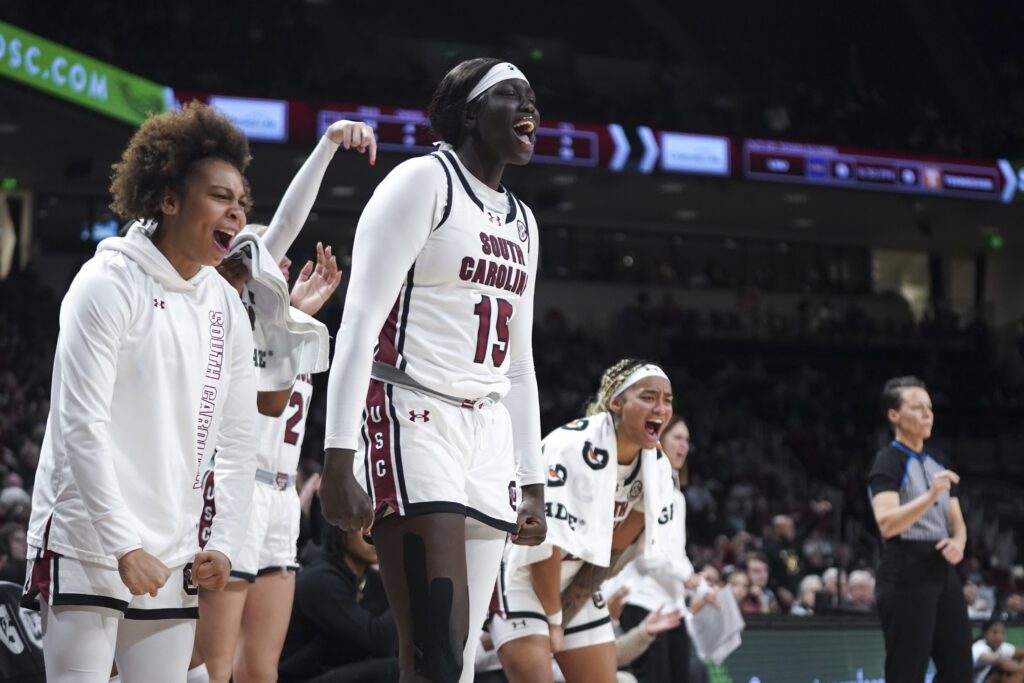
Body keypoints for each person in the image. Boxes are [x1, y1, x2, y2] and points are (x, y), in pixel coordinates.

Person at [319, 58, 548, 683]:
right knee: (435, 653)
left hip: (488, 431)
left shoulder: (524, 222)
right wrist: (338, 452)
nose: (529, 105)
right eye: (509, 94)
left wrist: (531, 478)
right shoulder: (422, 181)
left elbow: (521, 365)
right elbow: (359, 323)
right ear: (472, 113)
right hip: (413, 415)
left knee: (463, 658)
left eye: (531, 95)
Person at [23, 102, 258, 682]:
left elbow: (237, 435)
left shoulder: (226, 303)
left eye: (243, 202)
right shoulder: (105, 283)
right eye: (221, 197)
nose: (238, 212)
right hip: (87, 539)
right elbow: (81, 426)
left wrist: (223, 542)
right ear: (169, 200)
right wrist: (123, 545)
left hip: (172, 547)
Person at [194, 119, 374, 683]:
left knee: (261, 670)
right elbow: (288, 223)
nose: (279, 265)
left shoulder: (284, 330)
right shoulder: (218, 311)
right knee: (212, 666)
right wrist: (325, 148)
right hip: (234, 492)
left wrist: (294, 317)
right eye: (265, 261)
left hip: (280, 502)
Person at [491, 359, 678, 683]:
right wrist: (553, 620)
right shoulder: (572, 448)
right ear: (616, 402)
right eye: (648, 397)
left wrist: (567, 612)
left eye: (667, 400)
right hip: (522, 570)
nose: (661, 408)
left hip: (574, 576)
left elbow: (613, 552)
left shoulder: (656, 468)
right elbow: (544, 548)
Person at [868, 376, 972, 682]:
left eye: (929, 407)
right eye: (917, 407)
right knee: (907, 672)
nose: (928, 414)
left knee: (958, 670)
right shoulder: (887, 462)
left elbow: (956, 518)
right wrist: (929, 496)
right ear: (894, 416)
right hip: (905, 567)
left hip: (942, 565)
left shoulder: (938, 460)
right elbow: (886, 524)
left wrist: (959, 543)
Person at [617, 415, 710, 683]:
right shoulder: (643, 484)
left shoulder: (678, 497)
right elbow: (645, 555)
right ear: (658, 441)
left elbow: (677, 552)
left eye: (687, 441)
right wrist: (684, 576)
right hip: (642, 600)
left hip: (673, 605)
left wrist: (699, 585)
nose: (684, 446)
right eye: (677, 438)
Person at [278, 504, 399, 683]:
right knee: (396, 670)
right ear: (341, 528)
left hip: (339, 670)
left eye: (380, 525)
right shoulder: (319, 581)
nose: (374, 536)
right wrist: (414, 587)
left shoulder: (370, 578)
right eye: (365, 525)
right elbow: (379, 641)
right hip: (302, 678)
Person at [972, 617, 1024, 683]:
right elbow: (1000, 662)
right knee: (1004, 672)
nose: (999, 636)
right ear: (985, 633)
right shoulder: (978, 647)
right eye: (995, 632)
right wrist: (1021, 668)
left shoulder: (1002, 646)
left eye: (1002, 633)